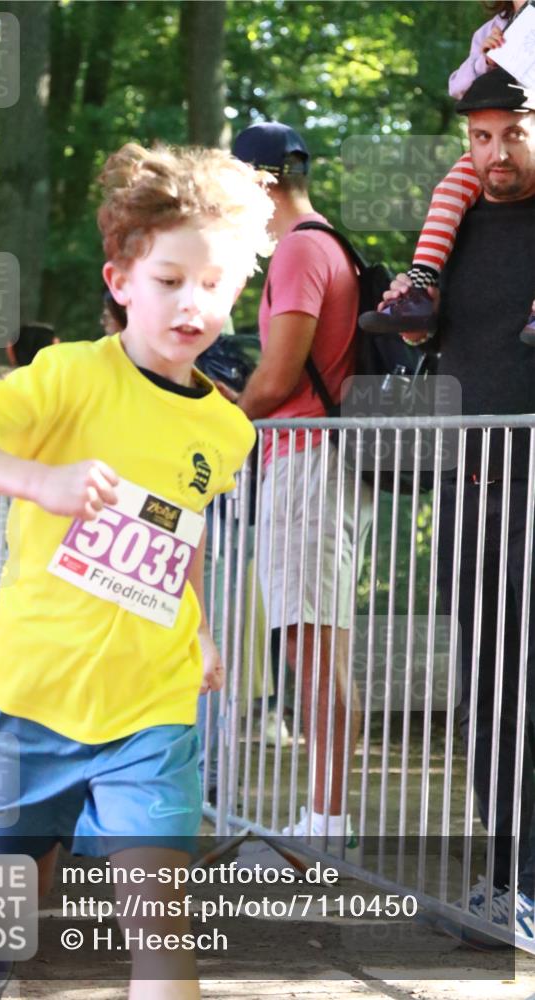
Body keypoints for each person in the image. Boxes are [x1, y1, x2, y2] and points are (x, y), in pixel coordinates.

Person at [0, 141, 273, 1000]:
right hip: (33, 693)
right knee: (16, 896)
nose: (194, 303)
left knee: (160, 931)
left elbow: (175, 540)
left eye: (215, 284)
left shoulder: (228, 432)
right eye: (169, 279)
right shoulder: (69, 375)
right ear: (120, 282)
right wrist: (42, 481)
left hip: (151, 707)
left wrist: (205, 631)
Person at [380, 68, 535, 944]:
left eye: (510, 134)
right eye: (478, 138)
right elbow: (424, 335)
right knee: (485, 685)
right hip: (469, 481)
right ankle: (504, 882)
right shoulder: (461, 219)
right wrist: (408, 319)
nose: (493, 155)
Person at [231, 122, 372, 851]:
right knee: (316, 644)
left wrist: (217, 417)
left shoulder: (295, 250)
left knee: (310, 647)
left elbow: (277, 378)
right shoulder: (328, 241)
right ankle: (325, 814)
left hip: (307, 455)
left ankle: (325, 821)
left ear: (258, 182)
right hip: (324, 457)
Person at [359, 0, 535, 340]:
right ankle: (418, 291)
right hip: (469, 379)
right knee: (449, 190)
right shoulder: (491, 29)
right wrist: (483, 60)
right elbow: (458, 88)